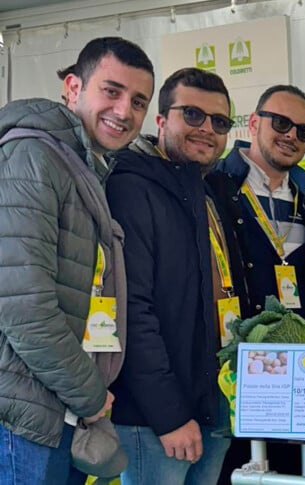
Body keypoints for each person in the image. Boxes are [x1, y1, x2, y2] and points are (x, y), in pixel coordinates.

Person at [0, 36, 154, 485]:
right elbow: (24, 309)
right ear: (73, 88)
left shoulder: (82, 166)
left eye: (138, 101)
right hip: (24, 419)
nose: (124, 111)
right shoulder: (31, 157)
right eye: (112, 91)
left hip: (57, 408)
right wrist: (90, 395)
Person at [107, 68, 233, 485]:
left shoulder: (204, 190)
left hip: (210, 405)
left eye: (219, 121)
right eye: (192, 115)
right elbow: (130, 311)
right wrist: (169, 414)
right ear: (160, 120)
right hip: (156, 421)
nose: (207, 129)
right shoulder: (131, 187)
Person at [206, 85, 305, 324]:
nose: (291, 135)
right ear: (253, 123)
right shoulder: (212, 187)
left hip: (302, 343)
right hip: (236, 342)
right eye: (281, 123)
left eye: (303, 131)